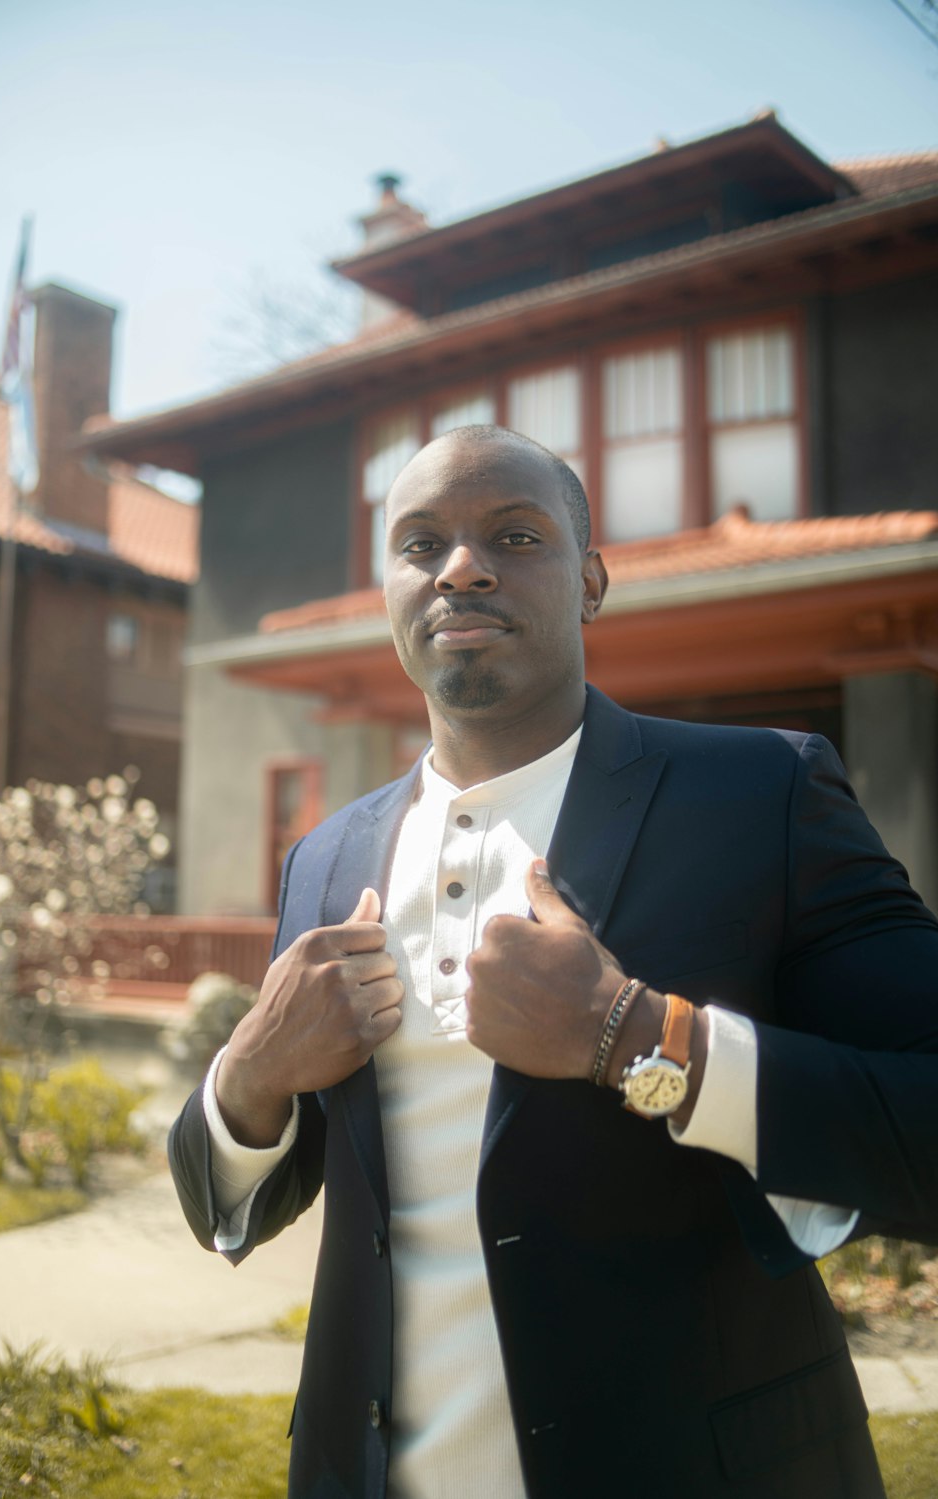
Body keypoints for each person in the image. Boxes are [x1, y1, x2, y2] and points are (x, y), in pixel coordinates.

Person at [169, 425, 938, 1499]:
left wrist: (635, 1035)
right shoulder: (324, 856)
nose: (460, 567)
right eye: (419, 542)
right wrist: (248, 1071)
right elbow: (222, 1199)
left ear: (590, 581)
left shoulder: (761, 795)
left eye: (513, 535)